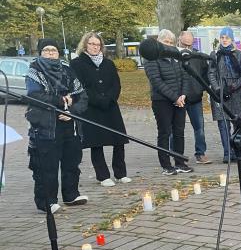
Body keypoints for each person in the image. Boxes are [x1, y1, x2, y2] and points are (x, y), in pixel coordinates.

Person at [25, 38, 89, 213]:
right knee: (47, 165)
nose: (51, 53)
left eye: (53, 50)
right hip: (46, 126)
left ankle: (71, 195)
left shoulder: (68, 71)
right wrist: (61, 100)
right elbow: (35, 95)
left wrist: (72, 112)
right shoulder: (34, 72)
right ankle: (47, 201)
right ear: (40, 53)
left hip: (70, 124)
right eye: (46, 50)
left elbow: (82, 96)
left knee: (71, 161)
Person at [70, 32, 130, 186]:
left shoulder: (108, 63)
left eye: (97, 44)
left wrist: (110, 98)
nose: (95, 47)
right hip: (91, 107)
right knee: (97, 142)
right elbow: (80, 86)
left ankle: (120, 173)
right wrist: (97, 100)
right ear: (85, 45)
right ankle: (103, 175)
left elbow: (116, 84)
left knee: (119, 139)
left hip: (110, 106)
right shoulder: (77, 63)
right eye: (91, 44)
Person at [144, 30, 193, 175]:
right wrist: (174, 98)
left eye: (171, 42)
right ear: (159, 42)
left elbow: (185, 75)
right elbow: (157, 81)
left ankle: (180, 162)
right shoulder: (151, 58)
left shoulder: (176, 57)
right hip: (162, 101)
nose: (169, 45)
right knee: (165, 132)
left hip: (180, 100)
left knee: (179, 131)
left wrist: (183, 95)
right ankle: (166, 165)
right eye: (166, 42)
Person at [208, 27, 241, 163]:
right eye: (222, 37)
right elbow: (211, 74)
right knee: (223, 124)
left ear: (232, 39)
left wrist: (233, 87)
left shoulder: (239, 54)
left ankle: (238, 152)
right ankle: (227, 152)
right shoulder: (214, 54)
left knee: (238, 124)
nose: (224, 40)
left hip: (236, 92)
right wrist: (218, 89)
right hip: (220, 92)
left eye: (227, 38)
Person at [177, 31, 211, 164]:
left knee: (199, 127)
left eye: (190, 42)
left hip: (195, 97)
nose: (187, 46)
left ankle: (200, 153)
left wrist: (202, 88)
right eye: (185, 42)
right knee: (177, 128)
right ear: (179, 39)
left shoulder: (198, 56)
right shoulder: (174, 55)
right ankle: (175, 154)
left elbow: (206, 74)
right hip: (178, 97)